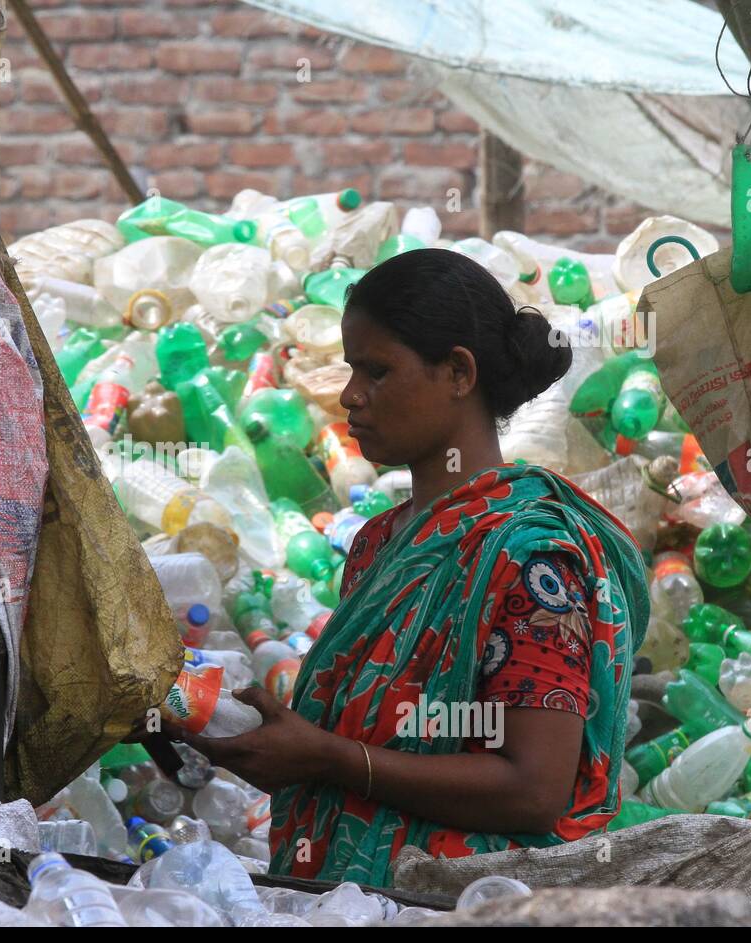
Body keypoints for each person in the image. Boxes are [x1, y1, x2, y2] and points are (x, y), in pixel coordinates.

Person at [172, 247, 648, 887]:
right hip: (346, 894)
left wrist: (329, 759)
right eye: (351, 369)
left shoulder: (531, 555)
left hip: (455, 901)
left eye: (376, 371)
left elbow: (534, 789)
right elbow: (372, 731)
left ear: (457, 372)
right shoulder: (378, 543)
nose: (349, 396)